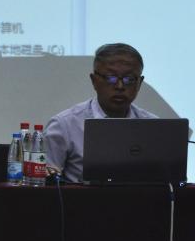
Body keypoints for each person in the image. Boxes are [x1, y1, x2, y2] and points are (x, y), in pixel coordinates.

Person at [44, 42, 156, 183]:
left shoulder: (153, 127)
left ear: (140, 83)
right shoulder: (64, 125)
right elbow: (46, 184)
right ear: (94, 81)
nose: (120, 86)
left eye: (129, 79)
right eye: (111, 78)